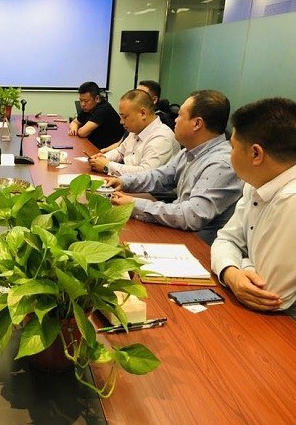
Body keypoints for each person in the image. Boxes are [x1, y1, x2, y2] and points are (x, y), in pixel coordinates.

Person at [106, 90, 243, 244]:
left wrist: (134, 204)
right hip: (178, 231)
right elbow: (160, 176)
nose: (175, 120)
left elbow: (192, 216)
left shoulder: (221, 164)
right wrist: (124, 182)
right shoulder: (189, 151)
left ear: (197, 124)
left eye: (180, 115)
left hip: (198, 246)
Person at [211, 98, 296, 313]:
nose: (229, 153)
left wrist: (241, 265)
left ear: (256, 154)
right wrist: (232, 273)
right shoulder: (256, 182)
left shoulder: (291, 200)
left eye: (232, 146)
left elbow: (267, 293)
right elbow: (226, 239)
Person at [88, 89, 179, 176]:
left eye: (125, 117)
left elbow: (145, 174)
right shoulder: (136, 129)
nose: (121, 122)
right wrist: (103, 158)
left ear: (143, 113)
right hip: (127, 181)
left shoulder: (161, 138)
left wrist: (107, 166)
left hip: (145, 187)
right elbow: (120, 152)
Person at [68, 81, 125, 149]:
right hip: (95, 146)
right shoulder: (88, 108)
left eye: (86, 101)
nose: (82, 104)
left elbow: (82, 133)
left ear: (97, 99)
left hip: (109, 149)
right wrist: (74, 129)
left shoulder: (104, 109)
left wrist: (77, 129)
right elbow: (74, 122)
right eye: (81, 100)